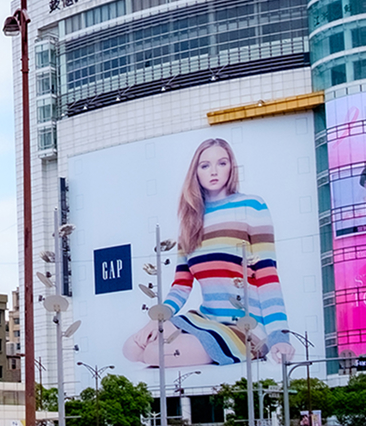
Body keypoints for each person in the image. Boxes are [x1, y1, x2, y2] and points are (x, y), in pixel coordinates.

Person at [122, 138, 294, 367]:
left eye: (222, 163)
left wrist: (279, 337)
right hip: (206, 318)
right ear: (196, 172)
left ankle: (202, 346)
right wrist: (158, 321)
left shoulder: (252, 207)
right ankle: (192, 342)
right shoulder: (190, 221)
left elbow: (267, 275)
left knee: (155, 354)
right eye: (205, 165)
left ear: (231, 167)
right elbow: (181, 286)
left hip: (246, 325)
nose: (214, 171)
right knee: (133, 348)